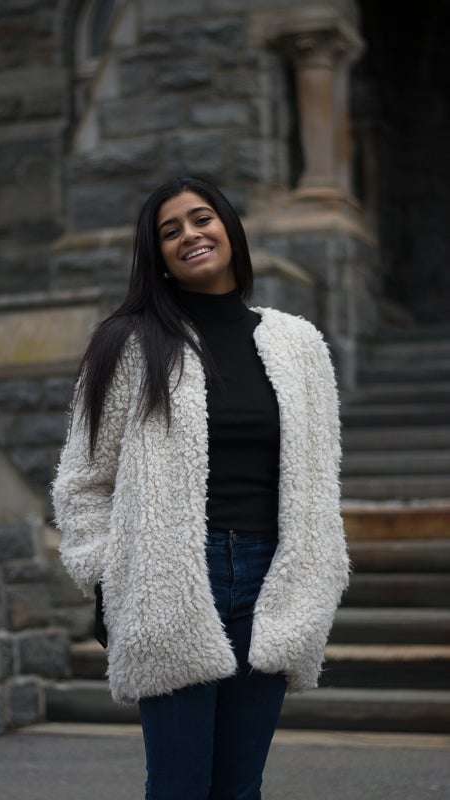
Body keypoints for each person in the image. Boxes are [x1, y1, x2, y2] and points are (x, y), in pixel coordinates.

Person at [51, 176, 350, 800]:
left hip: (274, 577)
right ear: (156, 255)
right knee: (179, 786)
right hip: (172, 580)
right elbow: (82, 483)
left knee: (241, 787)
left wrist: (318, 572)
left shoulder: (299, 344)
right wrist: (110, 577)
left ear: (229, 229)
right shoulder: (128, 344)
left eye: (201, 218)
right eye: (170, 231)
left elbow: (320, 477)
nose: (190, 234)